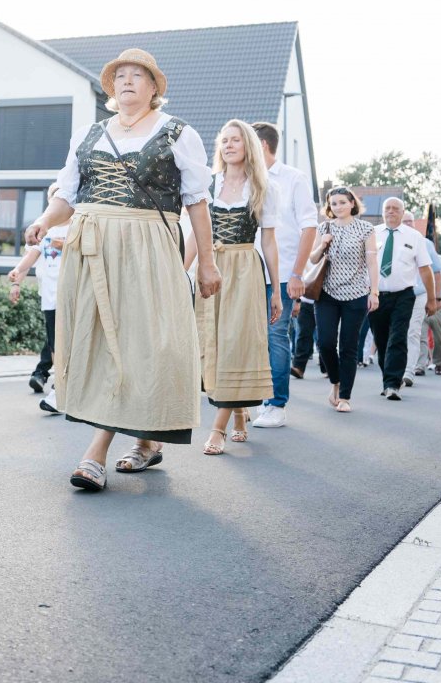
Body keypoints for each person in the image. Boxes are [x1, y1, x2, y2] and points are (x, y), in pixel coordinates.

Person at [25, 48, 220, 492]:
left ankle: (96, 453)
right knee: (106, 343)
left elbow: (196, 202)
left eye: (139, 75)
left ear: (155, 88)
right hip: (91, 246)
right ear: (112, 88)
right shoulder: (89, 134)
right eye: (120, 76)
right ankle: (145, 441)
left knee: (144, 343)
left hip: (149, 244)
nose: (128, 81)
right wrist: (43, 220)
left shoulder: (178, 134)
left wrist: (206, 261)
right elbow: (68, 195)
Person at [185, 121, 279, 455]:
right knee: (213, 342)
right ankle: (239, 415)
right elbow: (198, 235)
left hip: (244, 270)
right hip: (211, 267)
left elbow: (268, 241)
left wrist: (276, 291)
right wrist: (182, 271)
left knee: (235, 342)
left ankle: (217, 429)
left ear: (248, 145)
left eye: (235, 140)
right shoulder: (208, 184)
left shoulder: (262, 187)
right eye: (223, 140)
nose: (228, 145)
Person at [249, 122, 318, 426]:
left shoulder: (293, 179)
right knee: (251, 339)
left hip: (281, 273)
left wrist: (298, 273)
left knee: (276, 335)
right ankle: (252, 400)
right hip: (245, 272)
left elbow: (309, 227)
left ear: (262, 145)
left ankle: (276, 404)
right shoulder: (244, 179)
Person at [307, 187, 379, 411]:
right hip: (327, 293)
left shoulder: (365, 228)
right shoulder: (324, 227)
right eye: (333, 203)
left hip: (356, 295)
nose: (337, 207)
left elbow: (371, 263)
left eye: (341, 202)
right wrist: (323, 244)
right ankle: (335, 382)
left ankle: (345, 397)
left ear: (352, 203)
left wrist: (374, 292)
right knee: (325, 343)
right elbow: (312, 259)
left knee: (348, 346)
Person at [366, 199, 434, 397]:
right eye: (387, 208)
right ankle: (388, 377)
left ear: (403, 212)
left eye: (396, 209)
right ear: (383, 212)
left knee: (398, 337)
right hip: (376, 294)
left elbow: (425, 269)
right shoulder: (372, 233)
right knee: (381, 338)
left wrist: (431, 298)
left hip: (403, 295)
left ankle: (392, 384)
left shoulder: (414, 237)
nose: (391, 212)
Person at [8, 183, 67, 400]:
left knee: (67, 342)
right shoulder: (45, 231)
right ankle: (59, 384)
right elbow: (31, 255)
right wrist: (17, 272)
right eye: (53, 200)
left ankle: (61, 385)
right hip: (50, 298)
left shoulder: (78, 227)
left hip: (72, 296)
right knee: (54, 343)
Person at [401, 211, 441, 377]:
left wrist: (436, 299)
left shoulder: (424, 243)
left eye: (410, 221)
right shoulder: (390, 239)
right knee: (406, 333)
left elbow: (437, 272)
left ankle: (412, 370)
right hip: (397, 295)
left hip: (421, 295)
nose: (407, 224)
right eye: (404, 221)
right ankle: (410, 365)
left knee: (417, 332)